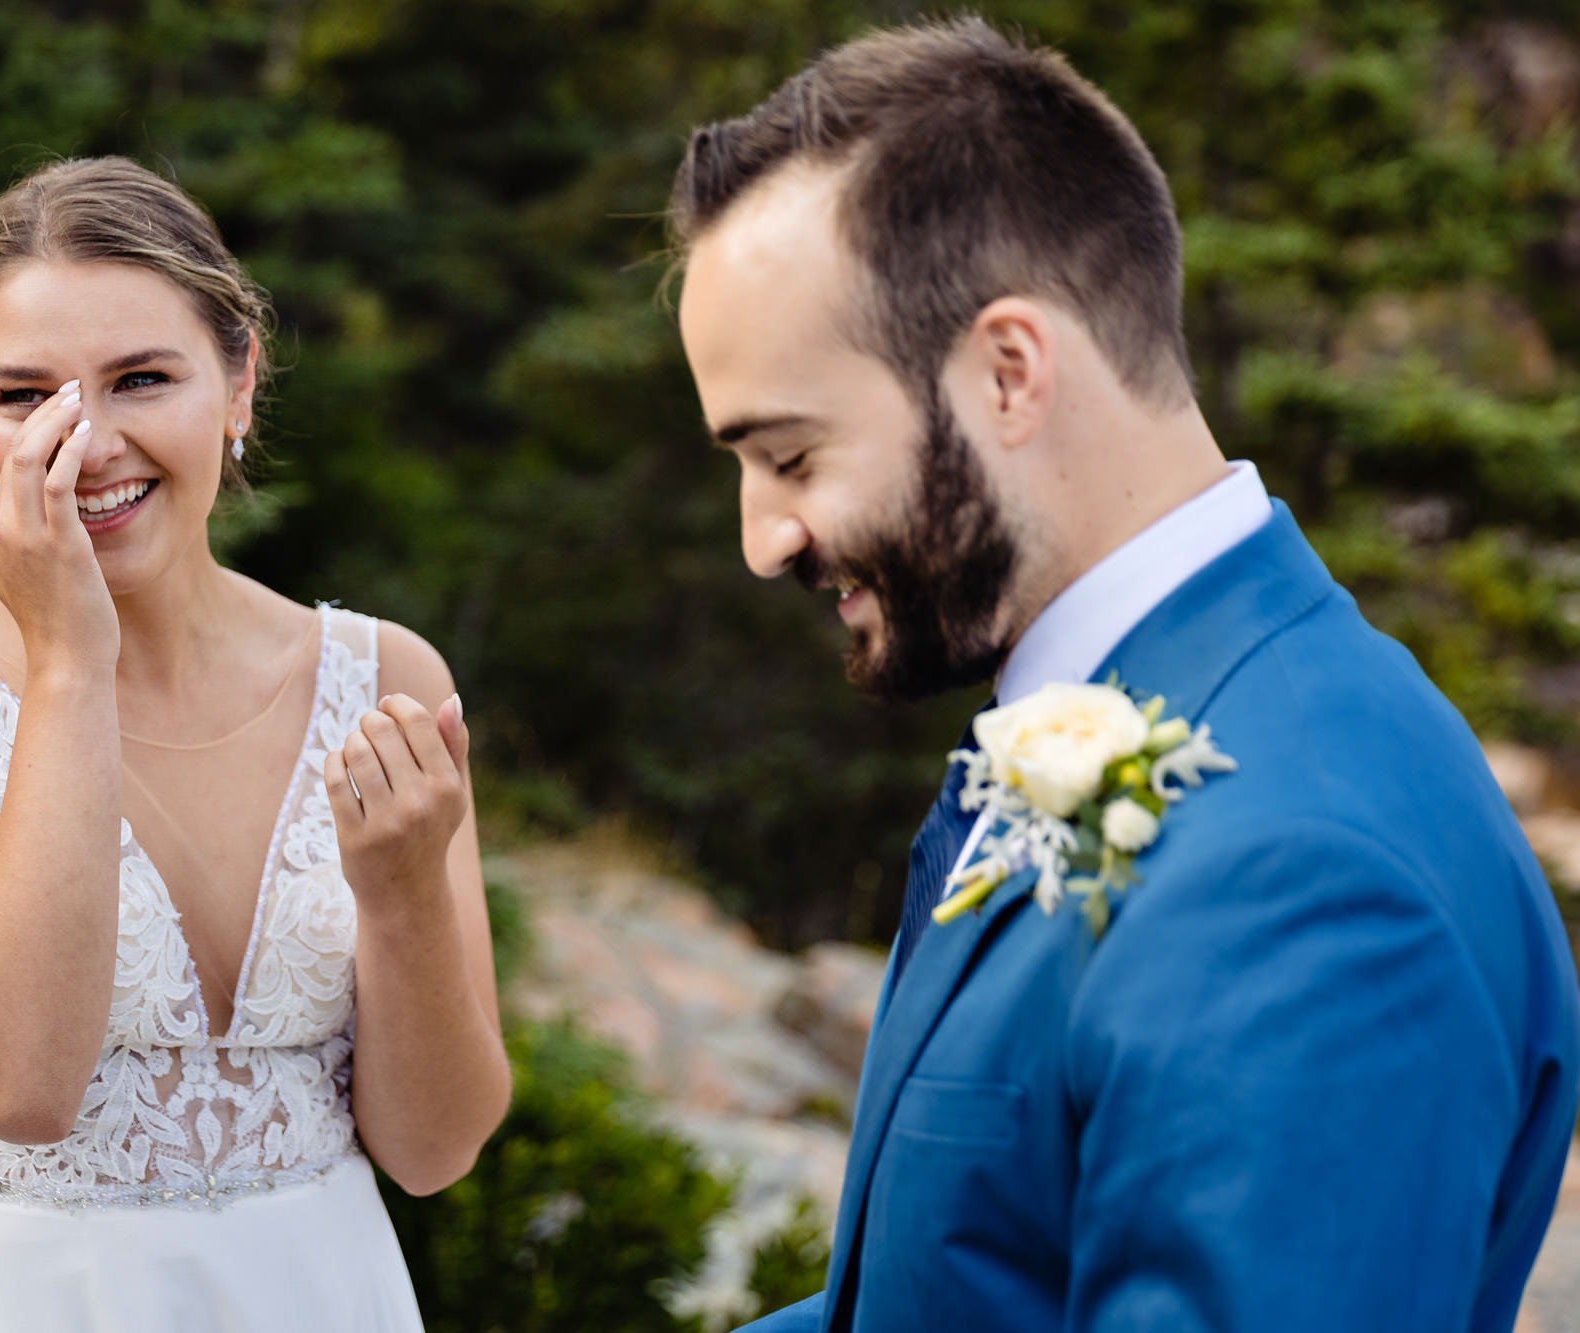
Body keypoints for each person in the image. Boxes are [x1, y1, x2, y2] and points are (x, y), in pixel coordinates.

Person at [670, 18, 1579, 1333]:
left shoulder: (1308, 878)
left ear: (1008, 373)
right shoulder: (1159, 705)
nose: (763, 541)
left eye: (792, 457)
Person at [0, 156, 509, 1332]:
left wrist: (406, 890)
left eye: (142, 378)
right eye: (23, 396)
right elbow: (18, 1081)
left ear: (239, 383)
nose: (87, 442)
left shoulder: (386, 679)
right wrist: (70, 664)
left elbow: (433, 1152)